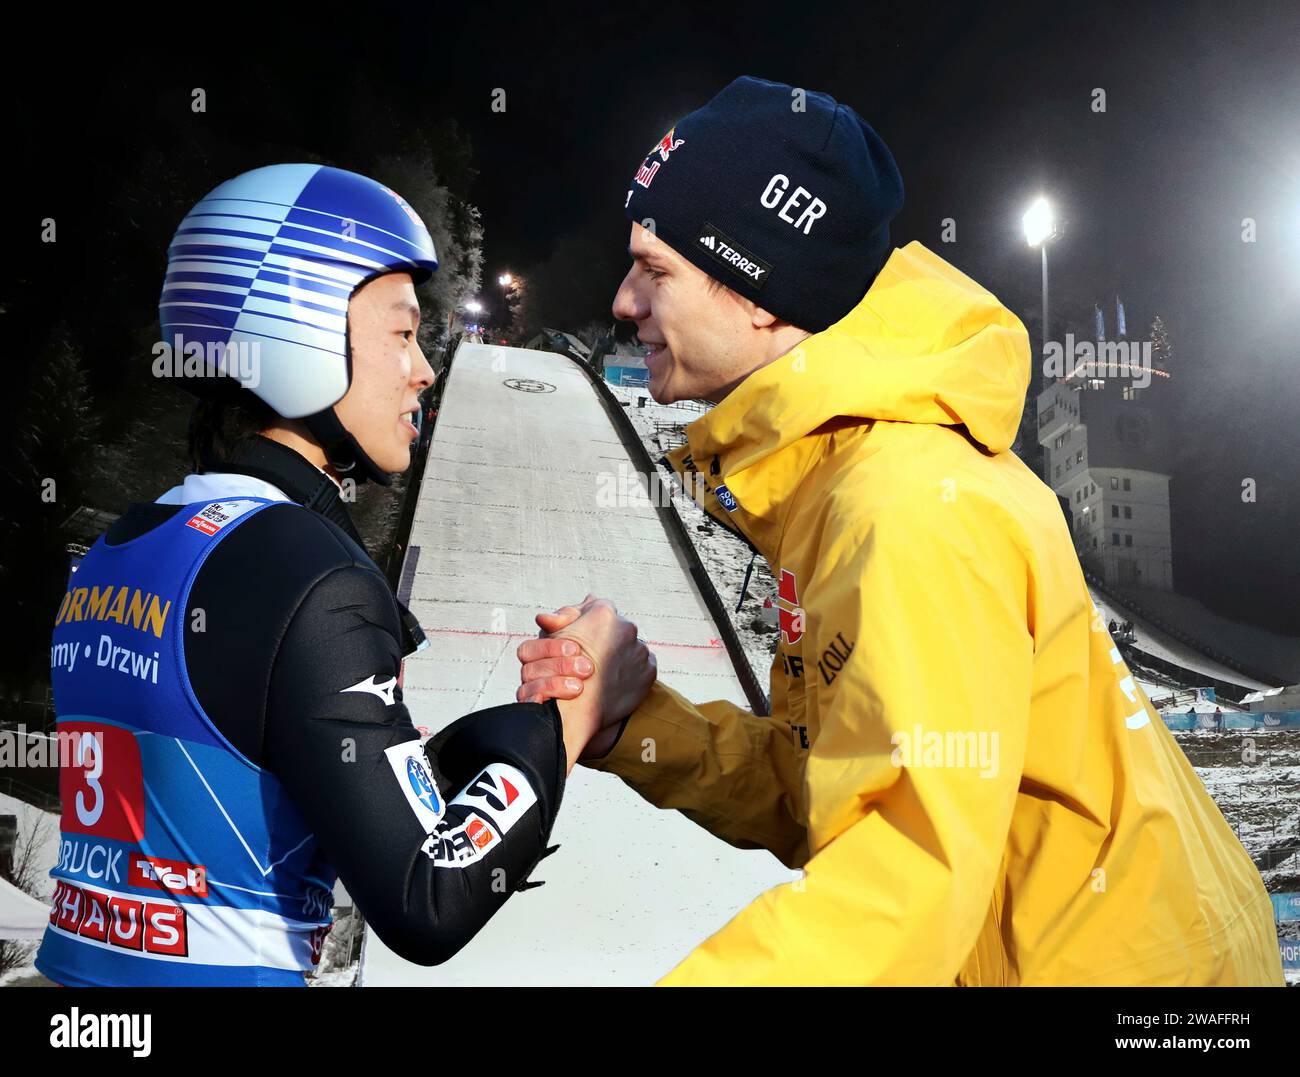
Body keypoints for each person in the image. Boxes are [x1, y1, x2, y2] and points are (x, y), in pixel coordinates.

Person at [518, 77, 1283, 986]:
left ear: (759, 291)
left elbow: (904, 879)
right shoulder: (838, 477)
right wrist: (638, 728)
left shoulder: (906, 507)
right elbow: (831, 785)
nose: (623, 302)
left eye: (657, 270)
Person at [37, 164, 653, 986]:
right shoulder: (311, 576)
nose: (424, 369)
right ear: (299, 332)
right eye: (401, 335)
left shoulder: (129, 544)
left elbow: (304, 774)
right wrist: (575, 713)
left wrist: (514, 727)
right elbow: (425, 898)